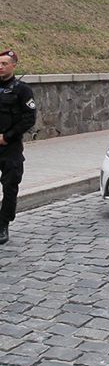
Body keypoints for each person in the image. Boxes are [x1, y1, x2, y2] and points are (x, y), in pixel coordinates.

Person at [0, 50, 36, 246]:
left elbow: (29, 118)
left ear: (13, 65)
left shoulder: (22, 90)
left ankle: (3, 224)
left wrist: (7, 137)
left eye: (5, 63)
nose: (1, 67)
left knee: (10, 186)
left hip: (9, 147)